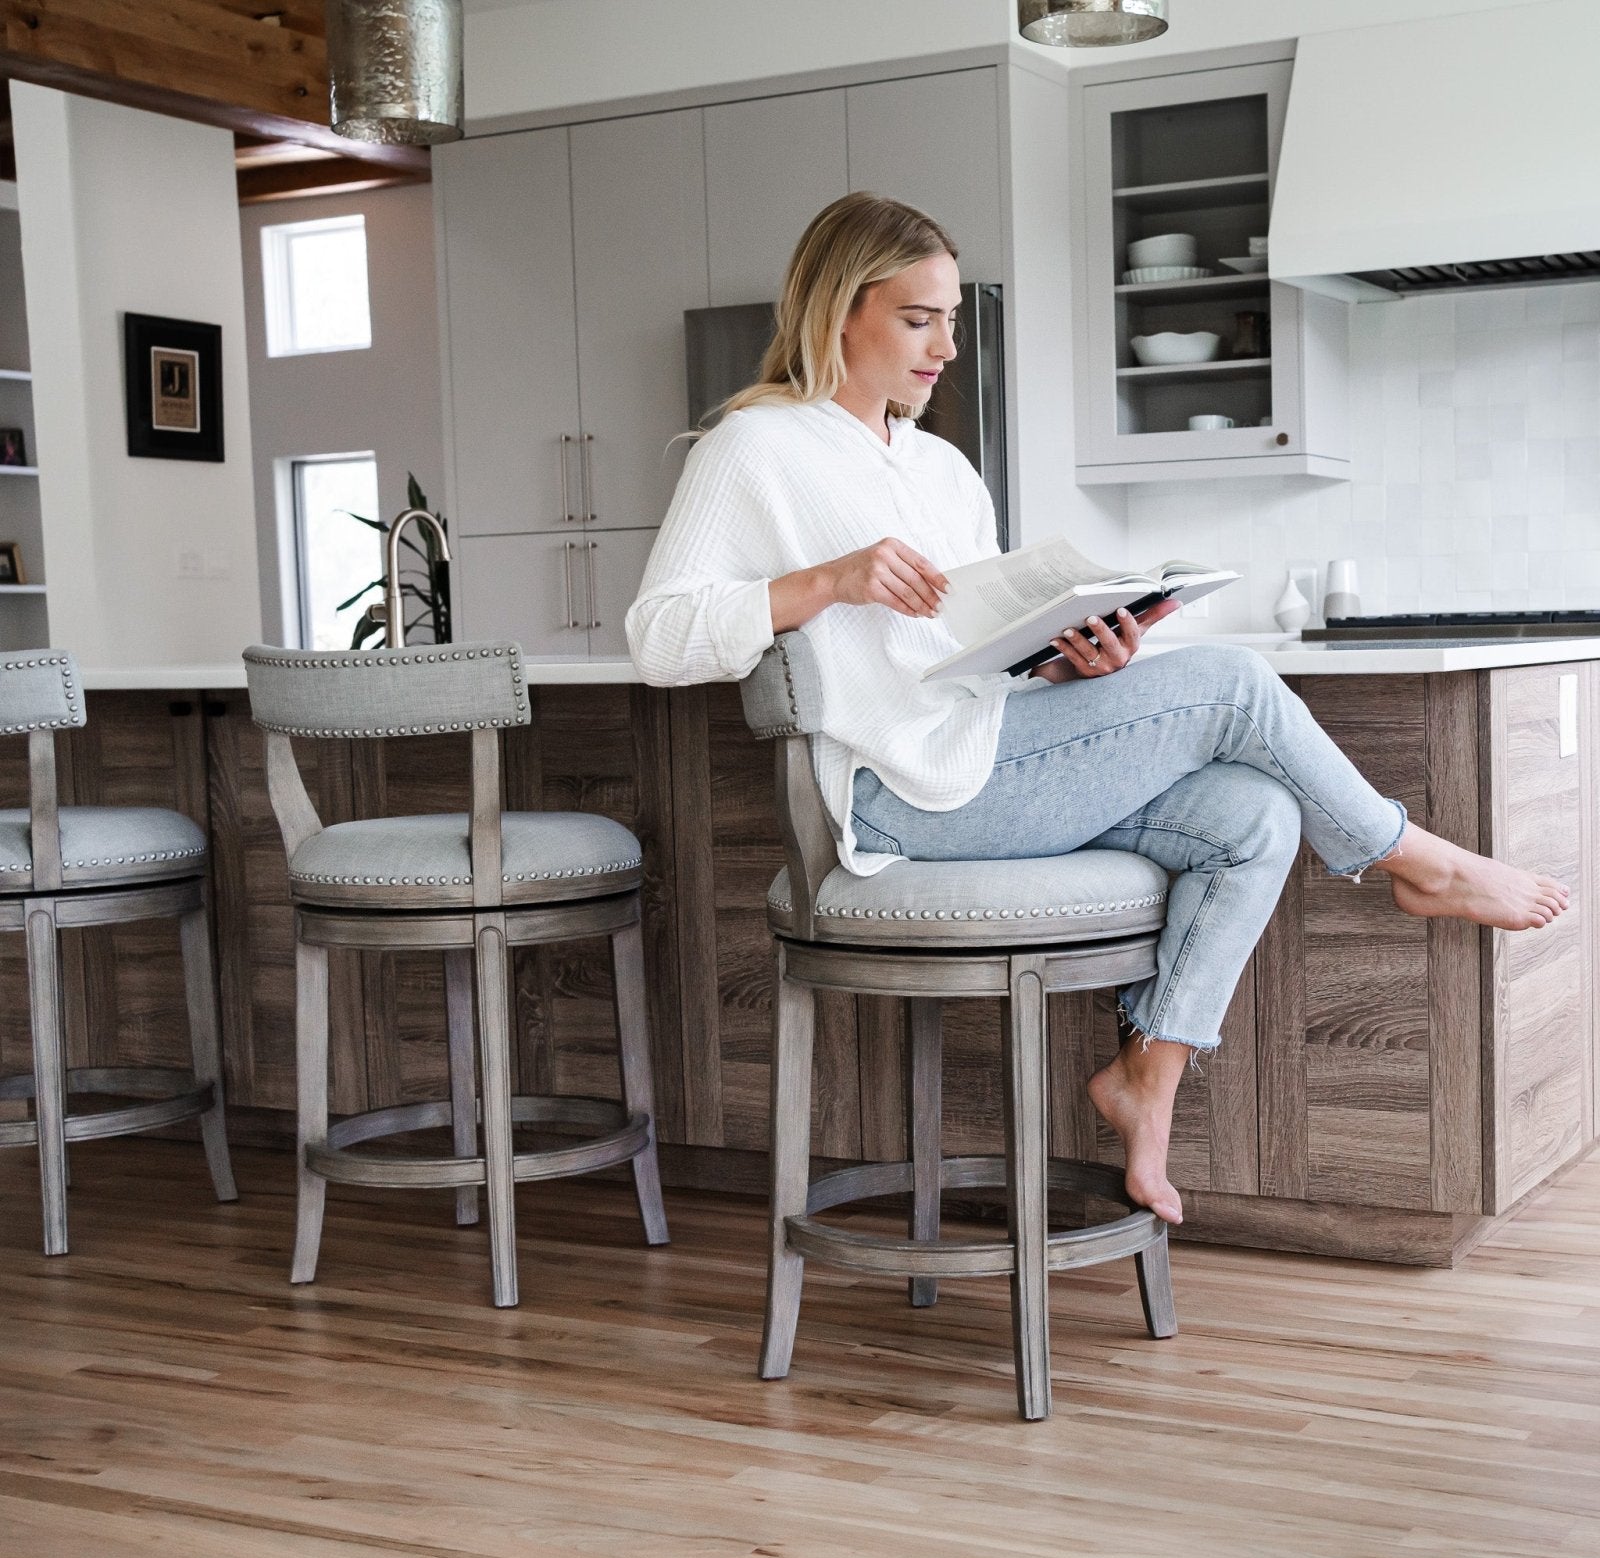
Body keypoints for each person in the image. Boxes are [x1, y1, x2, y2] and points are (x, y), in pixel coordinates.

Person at [626, 192, 1569, 1226]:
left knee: (1254, 815)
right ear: (838, 310)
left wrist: (1064, 665)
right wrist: (825, 581)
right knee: (1234, 682)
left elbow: (960, 652)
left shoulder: (939, 468)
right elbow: (660, 636)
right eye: (917, 318)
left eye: (951, 319)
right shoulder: (753, 448)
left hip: (983, 755)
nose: (945, 345)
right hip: (898, 796)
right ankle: (1414, 859)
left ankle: (1144, 1079)